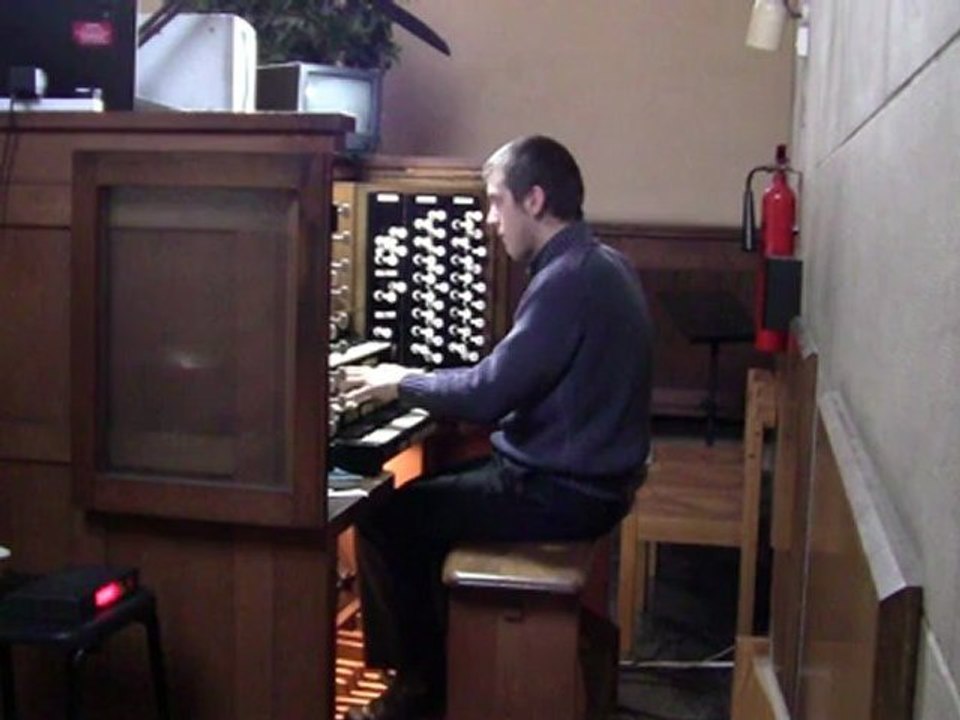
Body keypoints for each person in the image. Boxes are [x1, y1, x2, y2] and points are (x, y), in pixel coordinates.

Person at [341, 135, 653, 720]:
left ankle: (418, 693)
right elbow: (509, 383)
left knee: (385, 520)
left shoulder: (568, 279)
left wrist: (400, 380)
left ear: (533, 200)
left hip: (561, 491)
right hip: (585, 481)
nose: (489, 221)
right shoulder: (601, 263)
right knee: (424, 499)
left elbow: (490, 393)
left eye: (494, 203)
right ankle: (442, 667)